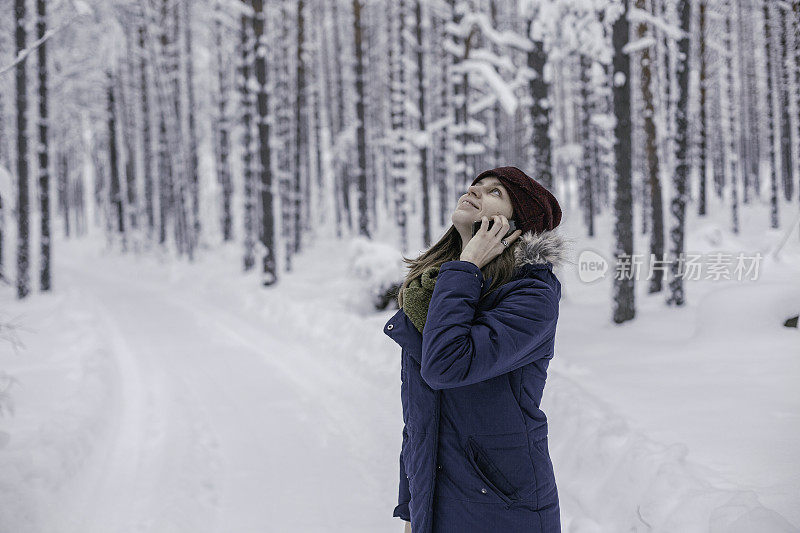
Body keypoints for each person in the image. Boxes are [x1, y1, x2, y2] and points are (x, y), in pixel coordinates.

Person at [384, 166, 567, 533]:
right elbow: (420, 420)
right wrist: (411, 507)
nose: (475, 190)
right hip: (436, 506)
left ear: (515, 226)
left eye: (495, 192)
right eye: (477, 185)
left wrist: (466, 265)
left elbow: (446, 367)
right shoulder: (440, 289)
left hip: (502, 506)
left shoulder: (532, 296)